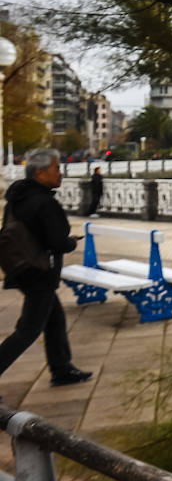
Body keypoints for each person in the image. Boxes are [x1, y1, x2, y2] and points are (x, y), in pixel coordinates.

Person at [0, 149, 91, 386]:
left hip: (21, 267)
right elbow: (57, 242)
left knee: (55, 319)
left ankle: (61, 370)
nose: (60, 174)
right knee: (28, 330)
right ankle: (60, 370)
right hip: (40, 273)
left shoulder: (17, 199)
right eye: (57, 168)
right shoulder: (44, 202)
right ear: (40, 172)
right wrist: (71, 242)